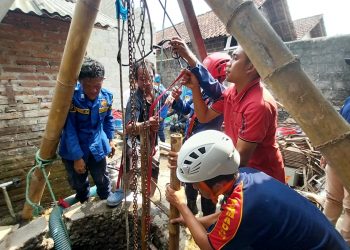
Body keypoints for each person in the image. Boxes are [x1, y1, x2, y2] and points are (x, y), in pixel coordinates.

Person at [165, 130, 348, 250]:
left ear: (217, 186)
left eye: (196, 184)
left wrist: (183, 206)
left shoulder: (243, 206)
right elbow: (226, 217)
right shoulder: (246, 176)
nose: (195, 188)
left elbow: (209, 246)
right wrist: (193, 221)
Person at [170, 37, 285, 183]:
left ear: (250, 67)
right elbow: (204, 116)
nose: (228, 64)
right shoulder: (232, 93)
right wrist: (195, 88)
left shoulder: (258, 105)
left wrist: (190, 160)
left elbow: (239, 159)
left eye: (235, 58)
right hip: (241, 172)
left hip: (262, 179)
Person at [169, 52, 230, 216]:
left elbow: (203, 117)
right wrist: (177, 102)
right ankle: (191, 210)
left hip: (206, 152)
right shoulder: (203, 93)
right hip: (193, 146)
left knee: (207, 190)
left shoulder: (222, 96)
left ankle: (207, 222)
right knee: (190, 185)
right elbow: (189, 111)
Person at [59, 58, 122, 207]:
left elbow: (108, 120)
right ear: (80, 82)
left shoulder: (106, 97)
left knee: (102, 179)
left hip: (97, 146)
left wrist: (110, 139)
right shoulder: (71, 98)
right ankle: (83, 206)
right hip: (74, 148)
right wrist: (77, 157)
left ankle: (107, 204)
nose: (93, 90)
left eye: (98, 86)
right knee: (79, 183)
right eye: (88, 86)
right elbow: (69, 129)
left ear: (102, 81)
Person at [124, 59, 162, 197]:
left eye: (150, 78)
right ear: (136, 80)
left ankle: (149, 198)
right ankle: (128, 190)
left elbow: (171, 101)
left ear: (154, 76)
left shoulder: (158, 93)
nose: (147, 82)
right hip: (136, 141)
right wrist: (147, 123)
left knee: (154, 167)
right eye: (142, 79)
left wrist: (175, 97)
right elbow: (129, 127)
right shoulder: (134, 99)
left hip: (153, 141)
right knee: (131, 163)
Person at [322, 95, 350, 244]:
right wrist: (326, 151)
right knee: (332, 200)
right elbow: (335, 124)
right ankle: (324, 240)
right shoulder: (348, 100)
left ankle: (345, 244)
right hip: (336, 157)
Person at [153, 73, 168, 142]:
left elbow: (166, 104)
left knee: (160, 130)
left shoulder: (163, 91)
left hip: (160, 114)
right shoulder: (154, 90)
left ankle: (163, 142)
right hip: (155, 113)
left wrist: (162, 116)